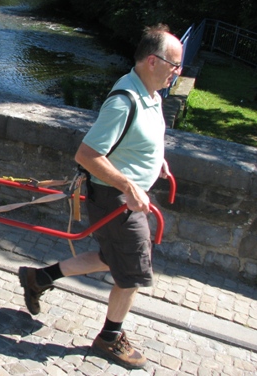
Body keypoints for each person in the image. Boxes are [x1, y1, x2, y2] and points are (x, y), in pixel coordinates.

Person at [18, 24, 183, 369]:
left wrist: (157, 162)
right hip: (117, 199)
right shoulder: (125, 100)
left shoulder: (151, 95)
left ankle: (39, 277)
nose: (177, 73)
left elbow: (139, 139)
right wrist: (129, 185)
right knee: (134, 271)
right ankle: (109, 338)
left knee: (112, 257)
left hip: (126, 194)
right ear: (153, 61)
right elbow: (88, 154)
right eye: (175, 65)